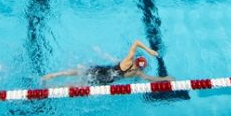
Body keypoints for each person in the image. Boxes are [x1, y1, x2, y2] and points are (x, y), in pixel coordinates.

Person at [42, 40, 173, 85]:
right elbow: (151, 79)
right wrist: (165, 78)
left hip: (103, 70)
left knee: (79, 71)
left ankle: (52, 76)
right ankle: (54, 89)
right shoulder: (137, 74)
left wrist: (150, 51)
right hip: (106, 79)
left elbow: (136, 43)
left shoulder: (127, 61)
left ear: (135, 60)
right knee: (80, 84)